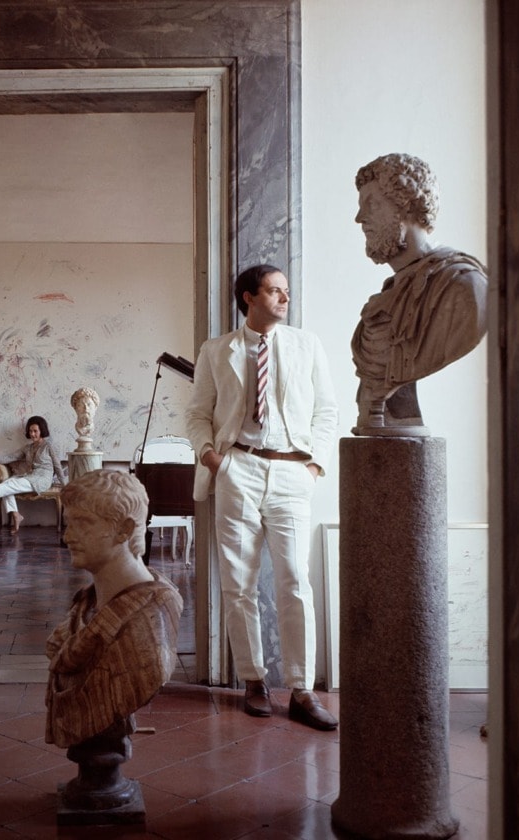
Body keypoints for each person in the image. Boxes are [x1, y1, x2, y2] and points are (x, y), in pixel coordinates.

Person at [185, 264, 339, 730]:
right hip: (239, 469)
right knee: (238, 583)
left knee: (295, 581)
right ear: (249, 297)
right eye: (275, 291)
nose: (284, 298)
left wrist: (314, 466)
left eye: (286, 291)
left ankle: (300, 689)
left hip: (293, 470)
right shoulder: (217, 351)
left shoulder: (305, 345)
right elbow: (197, 414)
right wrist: (213, 458)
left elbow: (327, 410)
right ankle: (253, 680)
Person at [45, 469, 183, 750]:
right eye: (68, 523)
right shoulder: (88, 604)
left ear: (125, 530)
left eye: (82, 523)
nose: (68, 536)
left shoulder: (146, 624)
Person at [352, 152, 488, 434]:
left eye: (372, 204)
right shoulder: (384, 300)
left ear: (406, 207)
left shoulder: (463, 288)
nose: (360, 218)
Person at [0, 414, 66, 533]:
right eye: (30, 431)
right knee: (6, 483)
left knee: (9, 486)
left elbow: (57, 466)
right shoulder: (28, 448)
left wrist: (65, 485)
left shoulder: (49, 446)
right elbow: (11, 456)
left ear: (42, 430)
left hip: (42, 479)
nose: (32, 434)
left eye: (35, 431)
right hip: (30, 476)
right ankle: (16, 515)